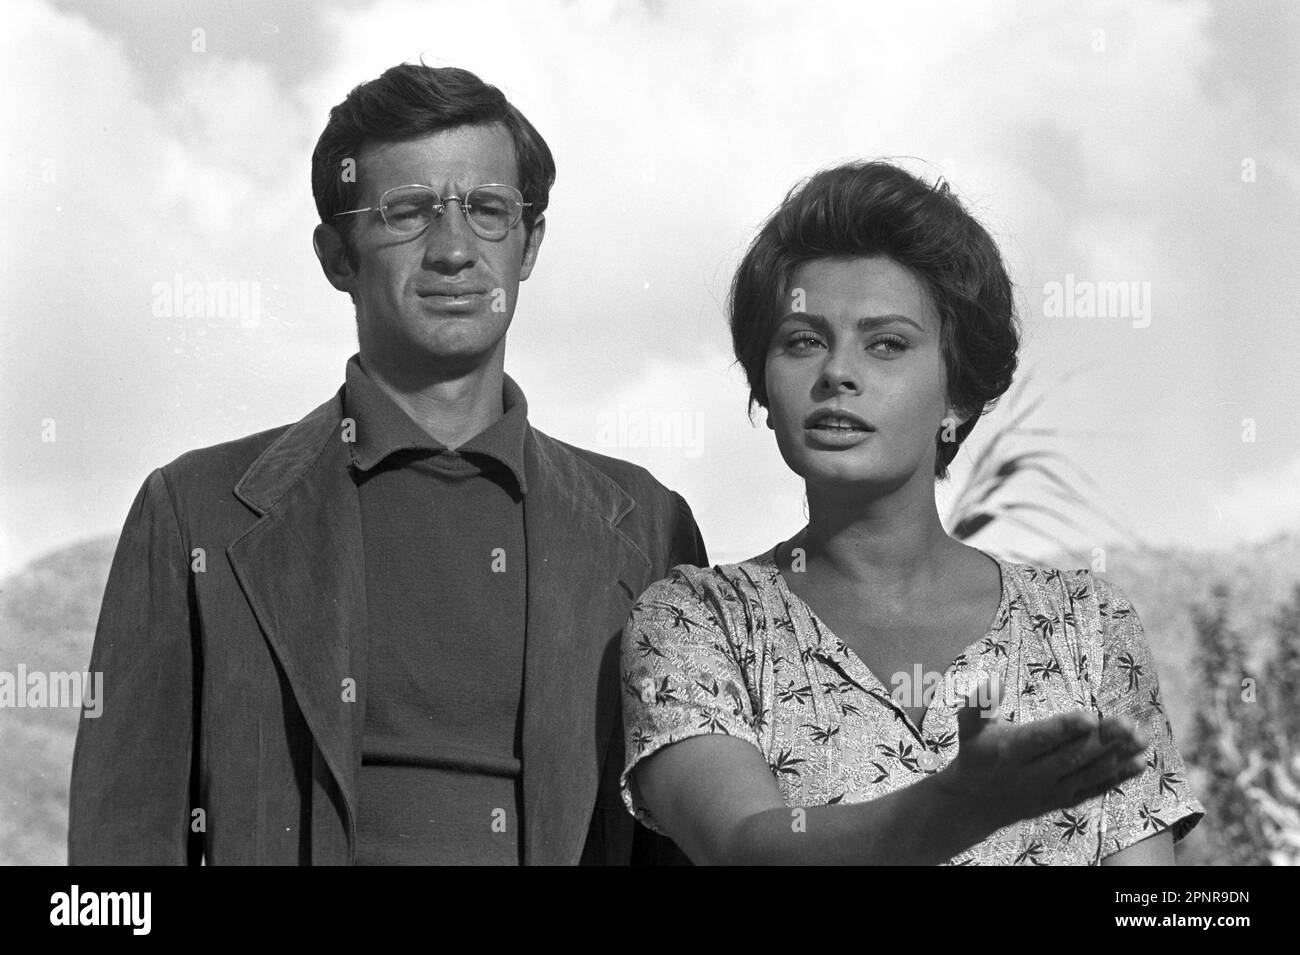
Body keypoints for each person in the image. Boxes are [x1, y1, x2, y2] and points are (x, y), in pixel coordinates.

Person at [68, 63, 706, 865]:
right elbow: (118, 855)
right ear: (337, 255)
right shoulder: (193, 512)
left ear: (529, 243)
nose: (453, 249)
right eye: (406, 212)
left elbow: (679, 846)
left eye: (487, 210)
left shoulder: (649, 524)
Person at [619, 161, 1204, 865]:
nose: (837, 371)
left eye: (886, 342)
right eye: (803, 340)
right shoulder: (696, 621)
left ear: (957, 395)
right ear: (764, 389)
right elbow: (746, 847)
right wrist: (957, 804)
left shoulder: (1086, 627)